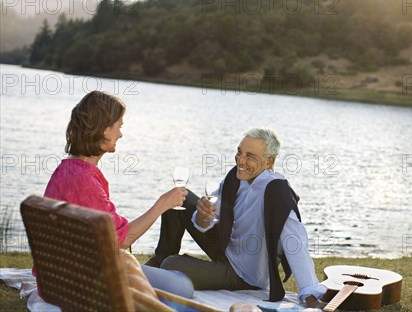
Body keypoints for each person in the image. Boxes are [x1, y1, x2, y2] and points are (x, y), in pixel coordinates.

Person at [148, 128, 327, 308]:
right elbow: (208, 219)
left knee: (171, 264)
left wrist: (311, 295)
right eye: (239, 152)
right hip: (226, 247)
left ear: (269, 162)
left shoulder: (276, 193)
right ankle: (157, 261)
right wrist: (203, 216)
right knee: (180, 197)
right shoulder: (236, 177)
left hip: (243, 274)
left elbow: (295, 242)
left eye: (250, 156)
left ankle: (162, 267)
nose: (241, 161)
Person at [43, 90, 194, 298]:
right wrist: (162, 205)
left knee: (172, 276)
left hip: (65, 272)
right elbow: (121, 240)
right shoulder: (84, 180)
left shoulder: (67, 169)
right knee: (183, 286)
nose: (121, 134)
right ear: (105, 129)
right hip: (84, 278)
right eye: (119, 126)